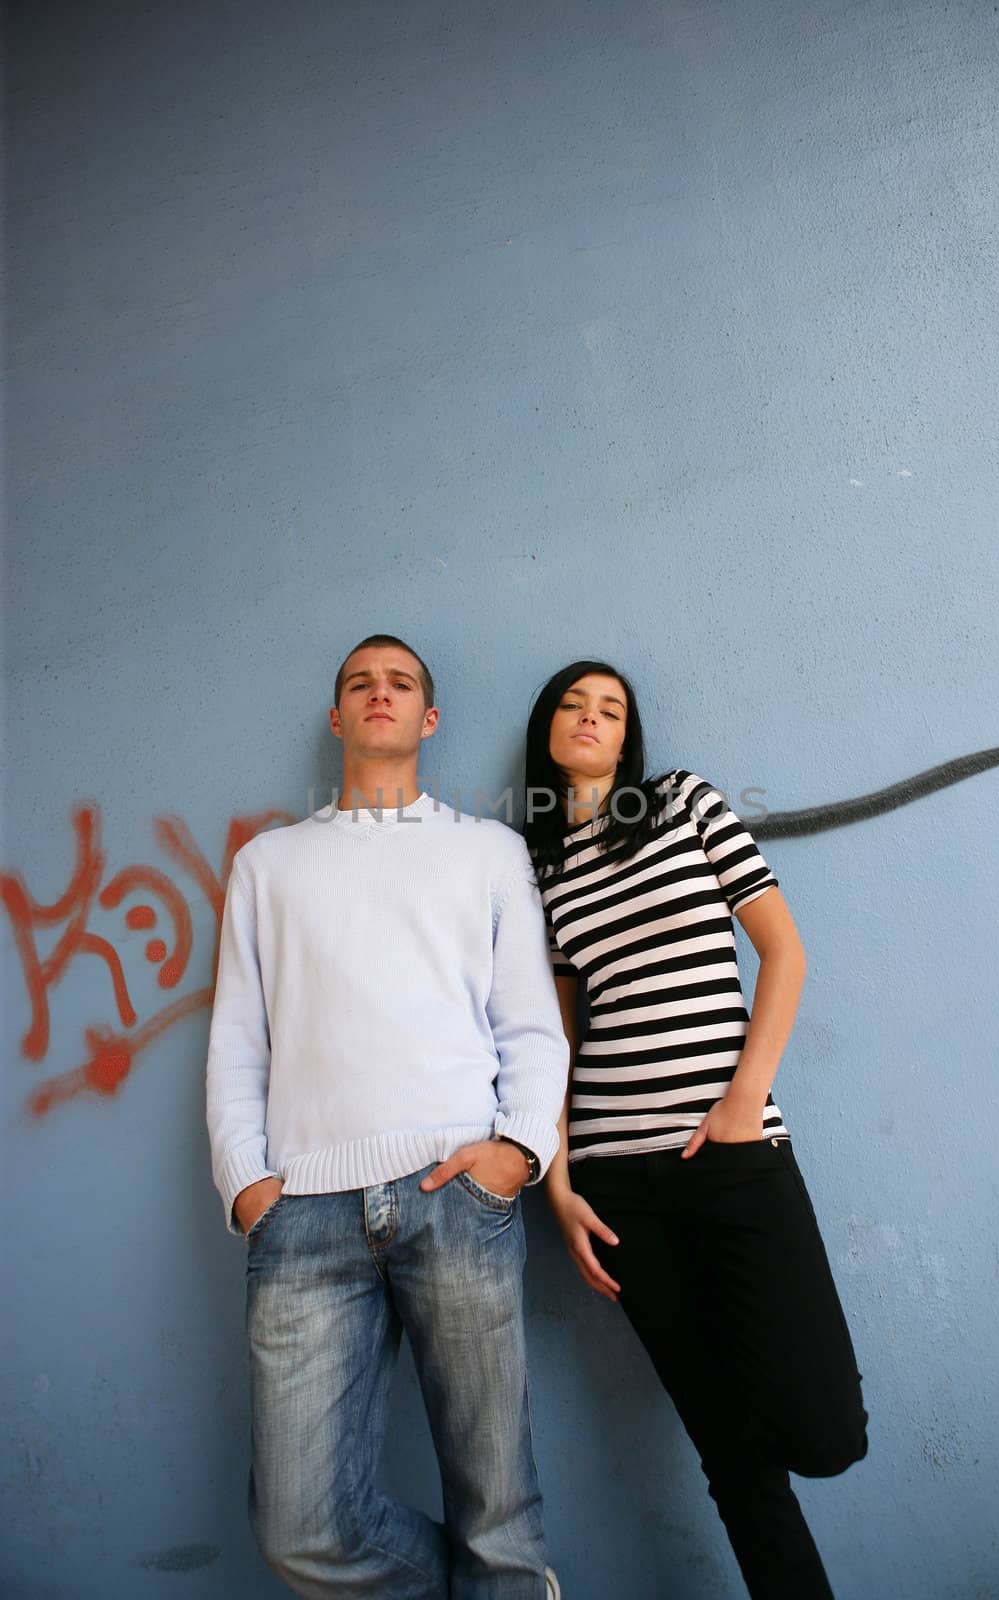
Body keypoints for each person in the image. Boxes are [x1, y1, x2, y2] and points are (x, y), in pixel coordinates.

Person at [206, 634, 568, 1600]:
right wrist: (248, 1185)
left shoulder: (487, 851)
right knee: (300, 1528)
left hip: (458, 1196)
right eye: (360, 684)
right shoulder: (268, 863)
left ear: (428, 718)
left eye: (399, 683)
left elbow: (532, 1026)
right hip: (302, 1220)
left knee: (497, 1509)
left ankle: (510, 1582)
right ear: (336, 717)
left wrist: (517, 1152)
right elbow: (239, 1039)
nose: (379, 694)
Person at [523, 659, 868, 1600]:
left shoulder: (683, 803)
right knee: (730, 1462)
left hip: (733, 1154)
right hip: (616, 1185)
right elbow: (556, 1035)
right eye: (572, 705)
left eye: (610, 710)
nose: (590, 719)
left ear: (628, 739)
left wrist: (743, 1100)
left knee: (827, 1432)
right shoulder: (539, 867)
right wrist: (558, 1188)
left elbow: (782, 950)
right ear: (546, 729)